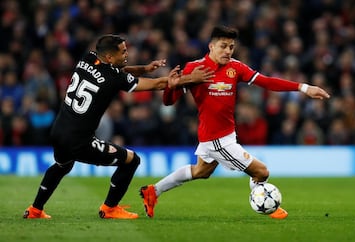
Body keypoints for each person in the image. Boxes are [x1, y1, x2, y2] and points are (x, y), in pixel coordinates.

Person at [140, 26, 330, 219]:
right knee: (262, 172)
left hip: (225, 133)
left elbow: (266, 82)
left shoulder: (235, 67)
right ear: (211, 46)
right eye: (223, 46)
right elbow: (168, 101)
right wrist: (174, 85)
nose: (228, 51)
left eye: (231, 47)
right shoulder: (195, 69)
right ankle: (263, 200)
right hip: (217, 139)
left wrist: (304, 88)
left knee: (200, 171)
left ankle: (153, 191)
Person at [23, 34, 213, 219]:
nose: (126, 54)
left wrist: (144, 68)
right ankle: (110, 209)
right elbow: (158, 84)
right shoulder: (113, 78)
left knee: (62, 165)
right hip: (80, 141)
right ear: (109, 57)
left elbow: (119, 71)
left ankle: (35, 210)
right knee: (131, 160)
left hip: (59, 132)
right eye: (122, 52)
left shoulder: (87, 59)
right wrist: (191, 78)